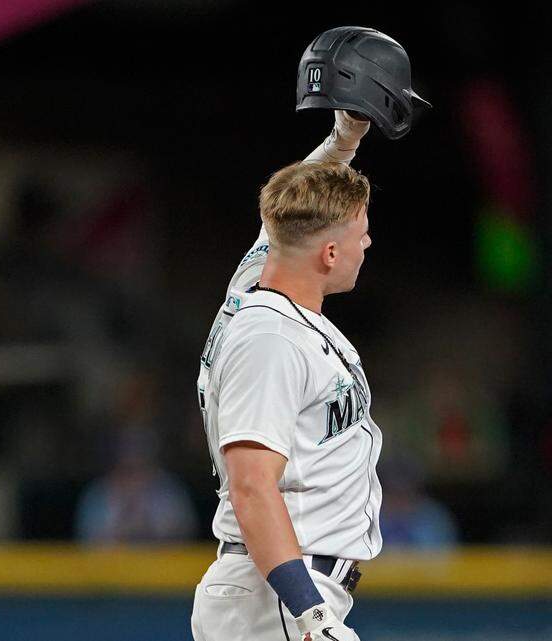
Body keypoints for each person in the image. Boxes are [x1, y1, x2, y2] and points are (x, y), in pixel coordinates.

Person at [191, 110, 381, 641]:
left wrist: (344, 140)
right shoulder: (270, 341)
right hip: (279, 595)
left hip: (276, 591)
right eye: (362, 234)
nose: (367, 245)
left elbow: (291, 207)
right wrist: (310, 612)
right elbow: (252, 485)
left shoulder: (260, 284)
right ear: (329, 253)